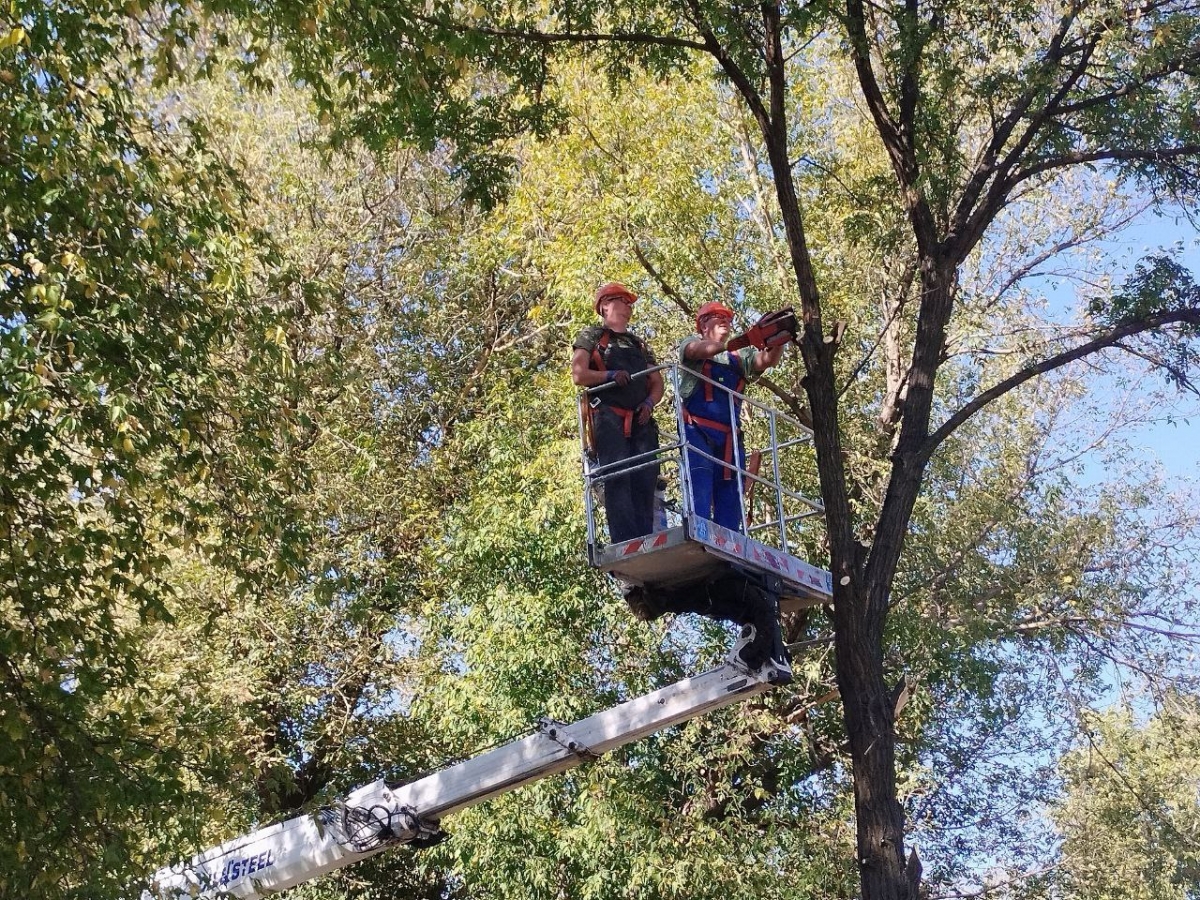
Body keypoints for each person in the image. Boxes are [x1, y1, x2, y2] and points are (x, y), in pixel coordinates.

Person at [678, 302, 787, 533]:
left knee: (730, 492)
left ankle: (729, 545)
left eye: (727, 317)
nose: (725, 320)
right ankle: (699, 535)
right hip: (697, 430)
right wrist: (742, 340)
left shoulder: (740, 355)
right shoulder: (691, 343)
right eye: (717, 316)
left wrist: (779, 340)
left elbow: (766, 361)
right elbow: (699, 351)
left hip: (729, 438)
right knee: (700, 485)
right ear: (703, 325)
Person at [571, 282, 665, 544]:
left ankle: (646, 539)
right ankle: (626, 542)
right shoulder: (593, 337)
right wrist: (609, 376)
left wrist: (649, 403)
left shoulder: (639, 344)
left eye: (629, 302)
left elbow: (656, 382)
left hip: (640, 420)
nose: (628, 306)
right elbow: (579, 375)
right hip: (609, 417)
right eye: (622, 300)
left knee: (646, 476)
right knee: (618, 476)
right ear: (605, 305)